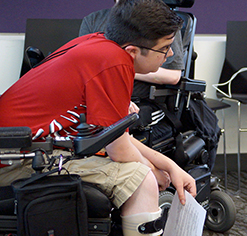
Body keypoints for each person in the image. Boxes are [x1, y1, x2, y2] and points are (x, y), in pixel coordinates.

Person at [0, 0, 196, 235]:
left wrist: (169, 166)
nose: (171, 54)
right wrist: (154, 171)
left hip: (26, 147)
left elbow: (113, 136)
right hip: (14, 157)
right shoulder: (114, 63)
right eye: (165, 48)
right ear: (133, 51)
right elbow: (120, 151)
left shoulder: (100, 44)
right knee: (141, 180)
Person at [79, 0, 185, 95]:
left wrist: (121, 70)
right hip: (100, 94)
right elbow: (86, 68)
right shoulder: (93, 20)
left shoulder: (160, 22)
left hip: (142, 99)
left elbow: (173, 76)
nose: (170, 52)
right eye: (165, 48)